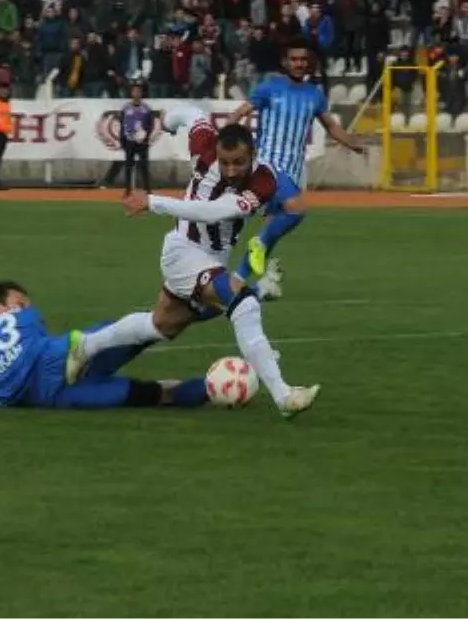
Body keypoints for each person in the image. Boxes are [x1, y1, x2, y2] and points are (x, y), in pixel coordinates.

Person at [65, 110, 317, 419]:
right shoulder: (205, 146)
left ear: (253, 155)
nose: (231, 169)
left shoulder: (264, 180)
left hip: (212, 259)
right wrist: (171, 121)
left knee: (162, 324)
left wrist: (265, 241)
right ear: (217, 154)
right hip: (183, 252)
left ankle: (86, 345)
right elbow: (193, 115)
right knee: (242, 302)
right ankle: (284, 395)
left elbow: (214, 212)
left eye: (239, 162)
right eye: (225, 162)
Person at [0, 281, 208, 411]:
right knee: (152, 350)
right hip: (54, 363)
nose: (27, 306)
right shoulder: (19, 319)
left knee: (150, 389)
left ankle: (87, 347)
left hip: (49, 390)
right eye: (19, 300)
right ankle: (212, 381)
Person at [227, 41, 366, 280]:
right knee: (297, 210)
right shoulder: (270, 88)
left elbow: (331, 126)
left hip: (292, 170)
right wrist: (229, 139)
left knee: (273, 229)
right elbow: (239, 113)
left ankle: (238, 279)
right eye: (294, 59)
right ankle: (255, 244)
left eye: (303, 60)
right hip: (268, 165)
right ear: (285, 62)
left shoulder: (315, 94)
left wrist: (354, 143)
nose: (299, 64)